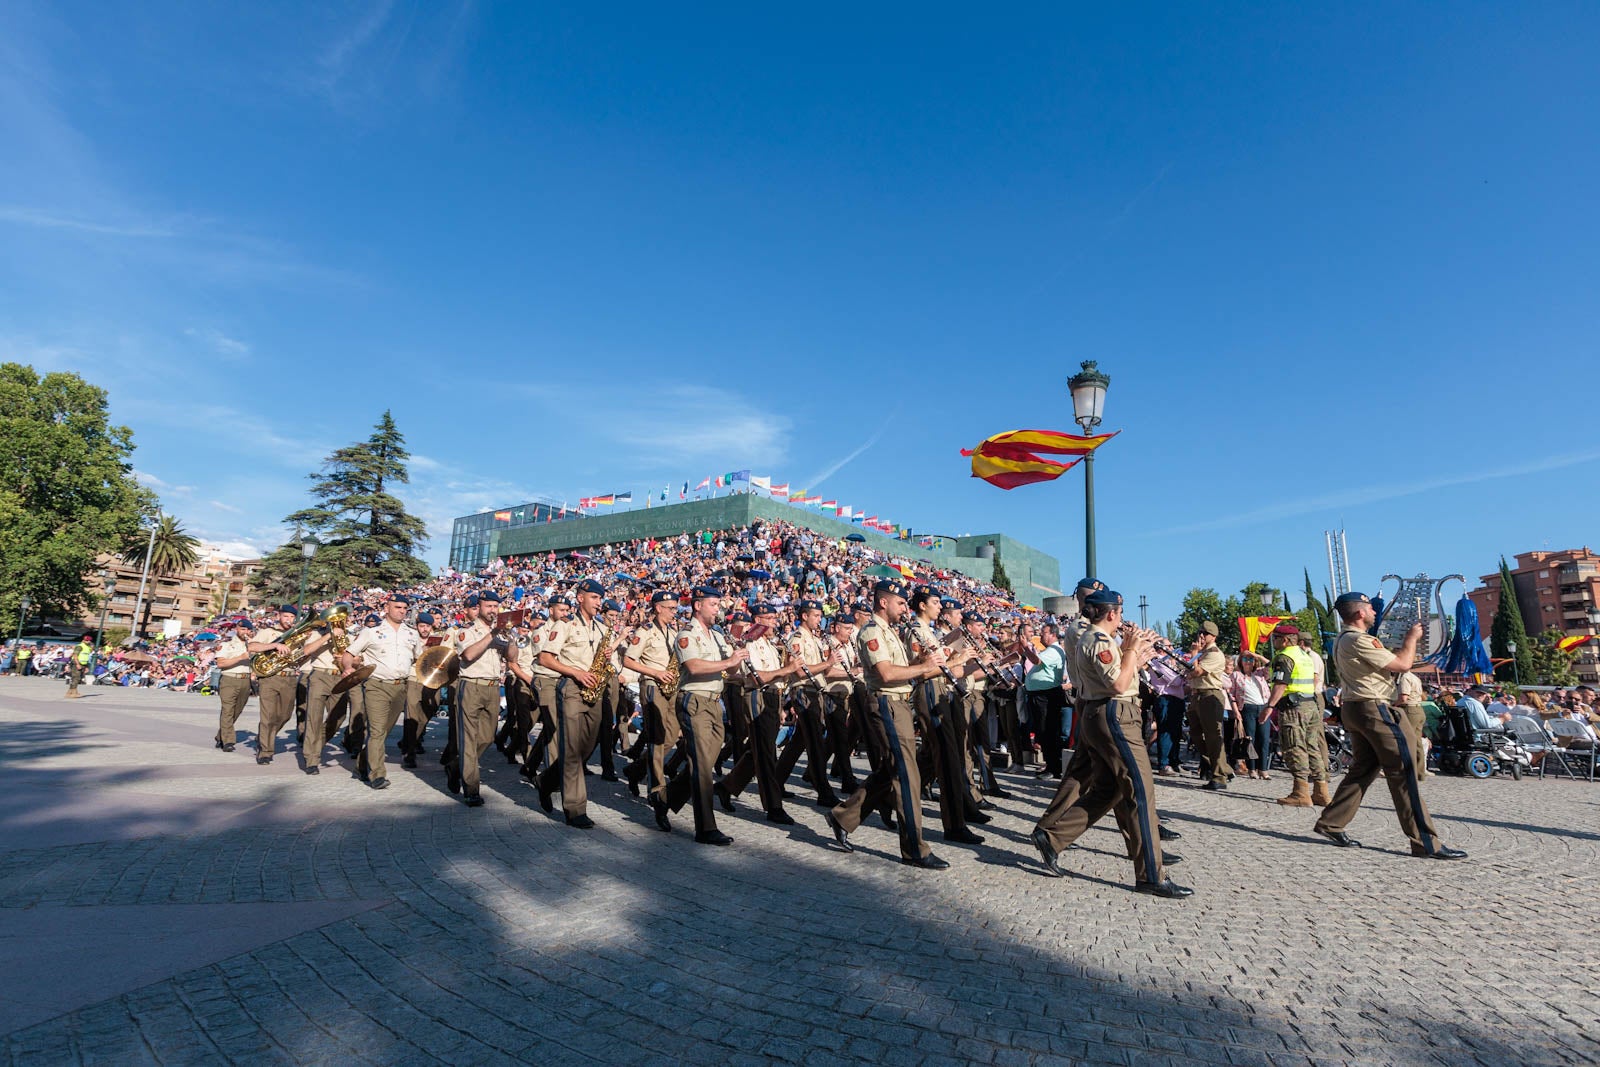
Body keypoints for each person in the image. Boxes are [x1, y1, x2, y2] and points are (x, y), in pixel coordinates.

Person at [1030, 588, 1191, 898]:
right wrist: (1131, 650)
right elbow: (1117, 683)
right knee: (1140, 792)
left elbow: (1123, 675)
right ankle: (1151, 875)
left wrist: (1138, 655)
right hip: (1115, 714)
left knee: (1110, 789)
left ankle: (1052, 837)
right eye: (1120, 612)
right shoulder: (1097, 640)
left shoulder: (1098, 639)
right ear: (1112, 614)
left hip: (1106, 712)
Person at [1313, 592, 1465, 860]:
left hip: (1355, 707)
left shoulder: (1343, 639)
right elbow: (1403, 665)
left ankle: (1331, 823)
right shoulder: (1360, 640)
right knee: (1403, 772)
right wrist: (1411, 639)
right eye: (1370, 608)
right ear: (1360, 613)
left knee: (1363, 769)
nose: (1374, 612)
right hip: (1373, 708)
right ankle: (1425, 841)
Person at [825, 580, 950, 869]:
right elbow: (885, 672)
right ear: (884, 602)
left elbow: (904, 668)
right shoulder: (871, 631)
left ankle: (843, 816)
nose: (905, 608)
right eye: (901, 602)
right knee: (907, 776)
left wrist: (924, 657)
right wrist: (924, 666)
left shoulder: (890, 632)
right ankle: (915, 849)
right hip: (886, 703)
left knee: (892, 770)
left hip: (898, 704)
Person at [675, 585, 749, 844]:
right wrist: (729, 663)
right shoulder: (687, 634)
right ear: (698, 605)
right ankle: (706, 827)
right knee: (703, 767)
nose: (719, 609)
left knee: (704, 761)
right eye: (714, 605)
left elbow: (729, 672)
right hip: (695, 700)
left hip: (714, 702)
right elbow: (693, 667)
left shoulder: (717, 636)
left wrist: (737, 655)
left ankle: (664, 799)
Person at [715, 602, 801, 824]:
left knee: (757, 751)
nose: (775, 622)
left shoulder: (769, 643)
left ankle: (726, 787)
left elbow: (778, 676)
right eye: (771, 618)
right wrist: (787, 669)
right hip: (758, 696)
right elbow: (756, 677)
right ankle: (773, 806)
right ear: (759, 620)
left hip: (773, 696)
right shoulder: (750, 642)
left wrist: (790, 662)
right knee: (766, 755)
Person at [535, 577, 611, 827]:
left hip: (594, 690)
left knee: (585, 749)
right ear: (581, 598)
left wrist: (608, 658)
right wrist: (575, 672)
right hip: (571, 688)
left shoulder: (601, 629)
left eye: (600, 599)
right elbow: (545, 659)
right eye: (595, 598)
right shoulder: (565, 624)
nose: (599, 603)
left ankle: (546, 781)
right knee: (570, 749)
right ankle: (575, 809)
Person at [341, 593, 423, 790]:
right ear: (387, 608)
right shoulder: (371, 632)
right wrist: (348, 668)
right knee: (377, 731)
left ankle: (362, 764)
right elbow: (349, 653)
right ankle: (377, 775)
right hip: (376, 686)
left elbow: (420, 659)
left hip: (400, 686)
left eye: (405, 608)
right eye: (397, 607)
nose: (402, 611)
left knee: (384, 731)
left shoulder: (412, 634)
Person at [620, 589, 683, 831]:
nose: (675, 612)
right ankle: (657, 790)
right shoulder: (645, 631)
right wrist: (655, 672)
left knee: (671, 736)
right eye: (671, 608)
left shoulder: (673, 632)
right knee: (657, 739)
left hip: (672, 686)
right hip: (653, 685)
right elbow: (628, 660)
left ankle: (635, 770)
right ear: (658, 608)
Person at [451, 592, 508, 807]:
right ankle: (471, 789)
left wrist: (509, 638)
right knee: (469, 738)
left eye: (496, 606)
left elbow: (511, 657)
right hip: (472, 685)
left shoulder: (500, 631)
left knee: (487, 738)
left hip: (493, 687)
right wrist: (492, 634)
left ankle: (457, 766)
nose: (493, 610)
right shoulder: (466, 631)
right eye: (489, 606)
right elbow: (468, 655)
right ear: (479, 606)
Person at [1265, 624, 1330, 807]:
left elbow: (1281, 683)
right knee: (1313, 748)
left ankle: (1301, 793)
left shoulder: (1284, 657)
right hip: (1310, 705)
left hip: (1294, 708)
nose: (1274, 641)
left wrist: (1269, 706)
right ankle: (1321, 792)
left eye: (1276, 638)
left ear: (1285, 640)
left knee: (1295, 747)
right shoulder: (1305, 656)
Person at [247, 605, 306, 766]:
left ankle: (265, 737)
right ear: (279, 616)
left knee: (285, 715)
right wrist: (274, 645)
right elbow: (252, 647)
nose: (289, 620)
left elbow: (300, 657)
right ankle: (265, 752)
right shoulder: (268, 632)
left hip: (289, 678)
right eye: (286, 616)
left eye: (292, 617)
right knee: (268, 716)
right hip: (270, 678)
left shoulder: (296, 635)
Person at [1019, 622, 1068, 777]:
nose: (1040, 635)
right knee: (1044, 730)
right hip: (1041, 695)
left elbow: (1037, 661)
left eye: (1044, 632)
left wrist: (1026, 647)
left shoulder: (1054, 650)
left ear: (1053, 634)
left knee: (1048, 731)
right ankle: (1051, 765)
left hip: (1046, 696)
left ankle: (1053, 767)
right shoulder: (1050, 650)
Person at [1186, 621, 1231, 789]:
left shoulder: (1214, 653)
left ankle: (1219, 777)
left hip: (1210, 695)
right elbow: (1189, 671)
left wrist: (1194, 653)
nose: (1201, 636)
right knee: (1195, 734)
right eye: (1200, 633)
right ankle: (1222, 768)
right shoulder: (1202, 653)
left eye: (1205, 633)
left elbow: (1195, 672)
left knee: (1213, 737)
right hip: (1197, 696)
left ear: (1213, 636)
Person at [1230, 651, 1272, 780]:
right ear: (1240, 661)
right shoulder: (1236, 675)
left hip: (1263, 707)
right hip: (1247, 708)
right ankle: (1252, 768)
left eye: (1250, 659)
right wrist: (1236, 711)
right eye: (1245, 659)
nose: (1248, 662)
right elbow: (1231, 694)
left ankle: (1263, 769)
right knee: (1250, 740)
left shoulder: (1260, 673)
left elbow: (1272, 665)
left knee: (1264, 739)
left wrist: (1258, 656)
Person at [214, 619, 255, 752]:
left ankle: (221, 735)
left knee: (237, 710)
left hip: (245, 680)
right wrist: (240, 658)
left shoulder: (253, 645)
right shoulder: (226, 645)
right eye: (242, 629)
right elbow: (220, 664)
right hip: (229, 679)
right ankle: (228, 741)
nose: (245, 632)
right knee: (228, 710)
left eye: (248, 630)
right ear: (237, 629)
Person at [64, 633, 94, 698]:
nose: (88, 641)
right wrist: (77, 664)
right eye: (86, 640)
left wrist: (86, 666)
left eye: (89, 640)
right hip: (76, 663)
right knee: (76, 678)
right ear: (83, 640)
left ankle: (70, 692)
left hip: (83, 664)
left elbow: (86, 657)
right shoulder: (79, 646)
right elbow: (75, 655)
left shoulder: (87, 647)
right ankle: (74, 692)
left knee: (78, 678)